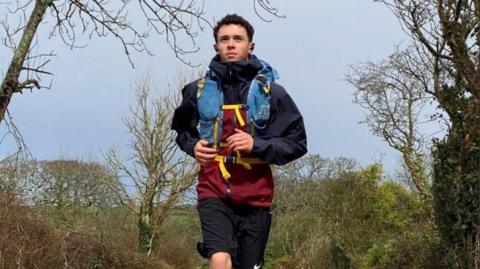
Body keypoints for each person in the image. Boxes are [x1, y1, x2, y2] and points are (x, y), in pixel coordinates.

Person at [171, 14, 307, 269]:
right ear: (216, 47)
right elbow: (182, 131)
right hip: (213, 189)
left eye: (237, 39)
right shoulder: (197, 91)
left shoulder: (273, 94)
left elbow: (297, 142)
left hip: (256, 195)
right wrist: (193, 147)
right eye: (224, 39)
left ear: (250, 46)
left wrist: (256, 145)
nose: (230, 44)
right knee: (220, 258)